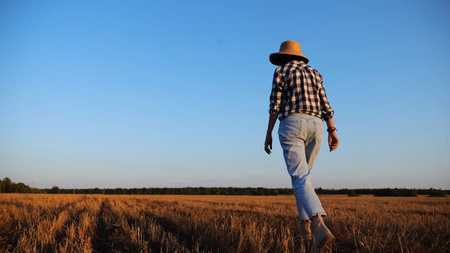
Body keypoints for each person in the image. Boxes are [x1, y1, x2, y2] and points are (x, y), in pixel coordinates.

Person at [264, 40, 339, 252]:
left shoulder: (281, 71)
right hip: (316, 126)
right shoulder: (315, 73)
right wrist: (332, 130)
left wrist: (268, 132)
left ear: (283, 57)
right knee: (303, 179)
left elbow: (275, 105)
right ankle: (304, 231)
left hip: (292, 123)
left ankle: (318, 224)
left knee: (299, 177)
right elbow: (325, 103)